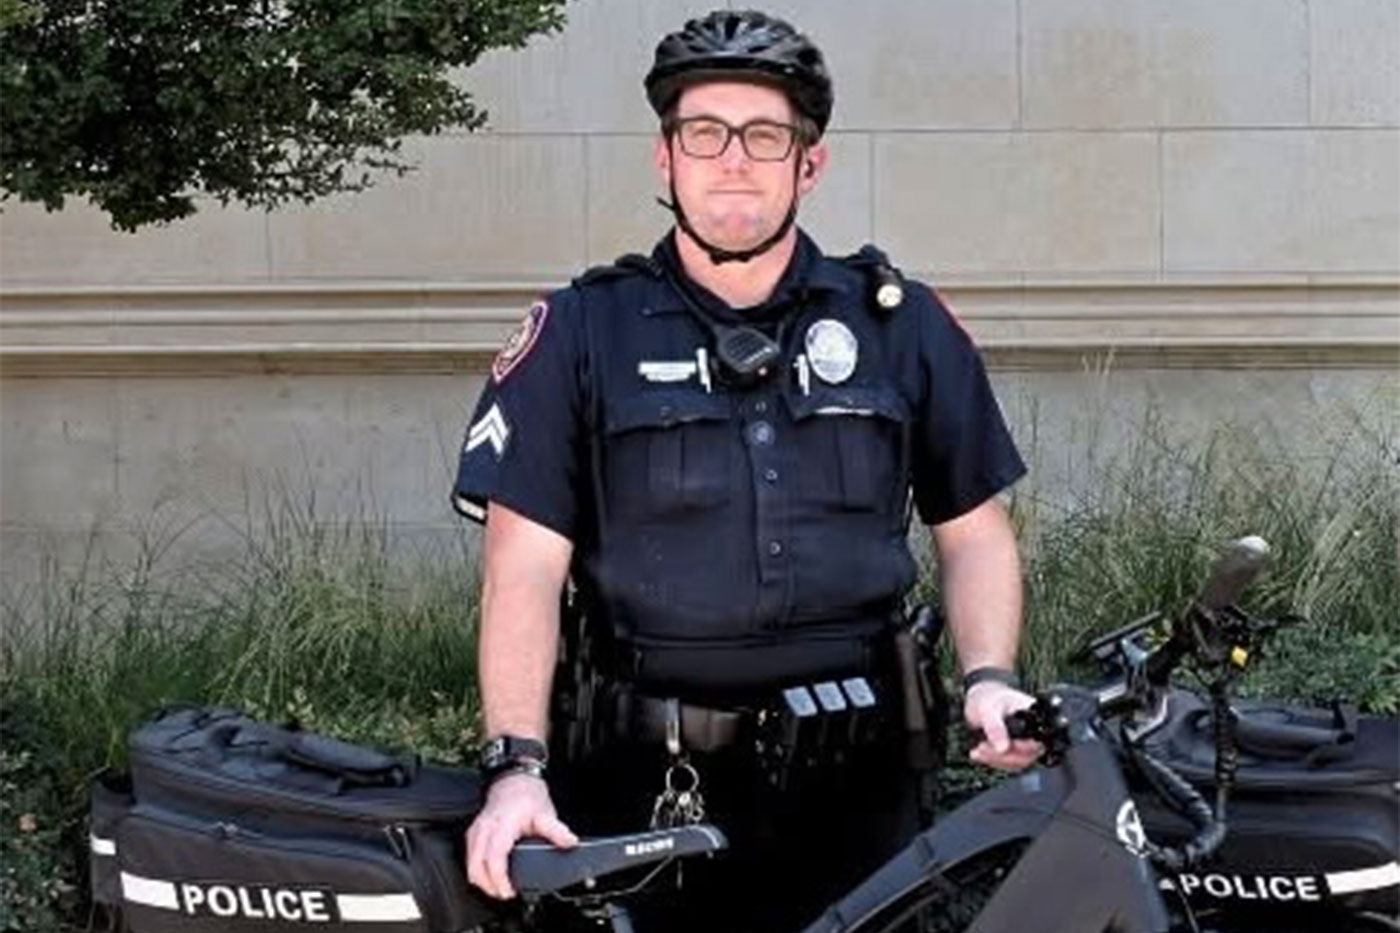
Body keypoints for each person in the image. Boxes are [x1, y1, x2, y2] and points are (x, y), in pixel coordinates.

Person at [451, 9, 1040, 930]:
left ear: (810, 163)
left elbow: (975, 535)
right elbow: (521, 571)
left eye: (766, 136)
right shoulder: (579, 332)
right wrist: (516, 768)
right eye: (705, 133)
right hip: (645, 795)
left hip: (865, 799)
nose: (734, 158)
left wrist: (990, 675)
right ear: (666, 158)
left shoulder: (901, 324)